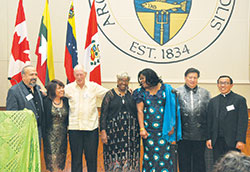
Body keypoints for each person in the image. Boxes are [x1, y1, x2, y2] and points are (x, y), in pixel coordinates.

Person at [133, 68, 181, 172]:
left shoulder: (166, 89)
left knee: (165, 156)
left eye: (143, 79)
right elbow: (139, 111)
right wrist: (142, 128)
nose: (141, 81)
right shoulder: (140, 92)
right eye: (140, 79)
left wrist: (171, 126)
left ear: (151, 78)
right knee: (150, 157)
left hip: (164, 130)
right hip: (148, 131)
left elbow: (173, 108)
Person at [64, 64, 108, 172]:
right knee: (76, 159)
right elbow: (55, 93)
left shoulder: (93, 87)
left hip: (91, 129)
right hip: (74, 129)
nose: (79, 77)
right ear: (74, 75)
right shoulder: (68, 88)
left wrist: (124, 91)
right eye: (77, 75)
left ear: (85, 74)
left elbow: (109, 94)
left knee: (92, 158)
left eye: (81, 74)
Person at [100, 72, 140, 171]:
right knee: (114, 156)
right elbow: (103, 115)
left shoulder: (132, 95)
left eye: (126, 80)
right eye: (121, 80)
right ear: (117, 81)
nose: (123, 83)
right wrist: (103, 131)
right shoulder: (110, 95)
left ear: (128, 82)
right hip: (113, 134)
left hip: (131, 135)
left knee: (130, 157)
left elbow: (137, 111)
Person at [206, 75, 248, 163]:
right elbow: (209, 121)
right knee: (218, 164)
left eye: (226, 83)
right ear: (217, 85)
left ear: (231, 85)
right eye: (221, 83)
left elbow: (243, 122)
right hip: (216, 141)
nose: (223, 85)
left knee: (233, 165)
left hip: (233, 141)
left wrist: (240, 140)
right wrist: (209, 138)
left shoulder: (239, 100)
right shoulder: (213, 101)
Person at [177, 68, 210, 172]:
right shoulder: (176, 92)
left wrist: (209, 135)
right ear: (185, 78)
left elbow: (209, 114)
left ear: (198, 79)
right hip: (183, 134)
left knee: (199, 162)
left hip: (200, 134)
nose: (192, 80)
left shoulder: (205, 93)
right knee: (183, 162)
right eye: (190, 77)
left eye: (195, 77)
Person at [6, 65, 44, 143]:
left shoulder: (38, 88)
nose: (34, 77)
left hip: (38, 130)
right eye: (31, 74)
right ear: (23, 76)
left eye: (35, 74)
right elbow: (12, 114)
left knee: (37, 154)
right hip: (23, 133)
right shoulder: (14, 91)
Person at [42, 79, 69, 172]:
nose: (62, 90)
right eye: (59, 88)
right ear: (53, 90)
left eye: (62, 88)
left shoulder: (65, 101)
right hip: (50, 135)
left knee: (61, 158)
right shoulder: (46, 101)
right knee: (52, 159)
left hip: (63, 135)